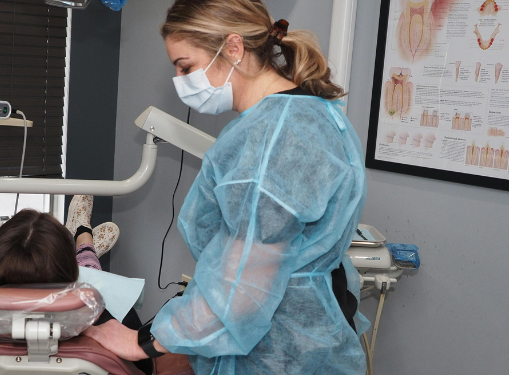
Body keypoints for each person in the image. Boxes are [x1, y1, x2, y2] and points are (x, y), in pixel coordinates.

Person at [82, 0, 369, 374]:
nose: (182, 81)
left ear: (233, 48)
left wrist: (142, 342)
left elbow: (246, 287)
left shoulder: (273, 137)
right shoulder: (310, 114)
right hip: (291, 338)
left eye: (186, 67)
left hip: (277, 352)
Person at [0, 204, 152, 374]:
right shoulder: (108, 315)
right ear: (72, 274)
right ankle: (84, 243)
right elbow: (146, 366)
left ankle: (83, 242)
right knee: (96, 275)